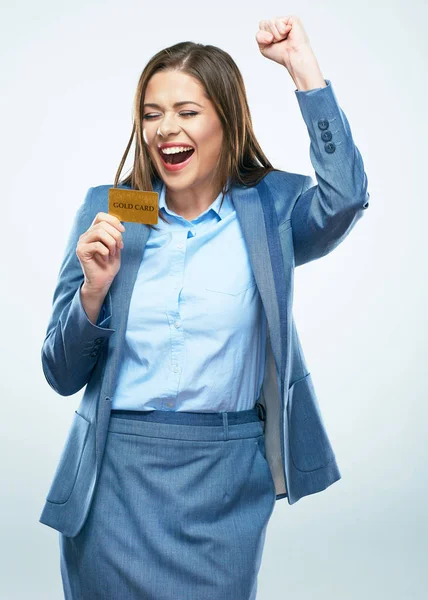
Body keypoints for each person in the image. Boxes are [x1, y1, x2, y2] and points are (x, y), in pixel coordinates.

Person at [39, 15, 370, 600]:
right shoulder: (118, 209)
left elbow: (345, 198)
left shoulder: (268, 208)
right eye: (151, 112)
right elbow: (60, 373)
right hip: (115, 481)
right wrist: (92, 293)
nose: (166, 129)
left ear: (227, 119)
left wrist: (304, 71)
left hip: (225, 479)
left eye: (187, 112)